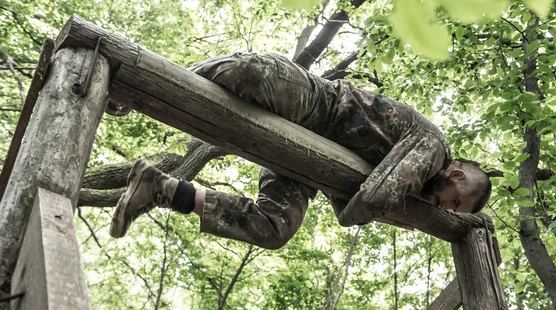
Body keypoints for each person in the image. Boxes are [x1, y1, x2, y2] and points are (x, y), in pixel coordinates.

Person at [110, 53, 492, 249]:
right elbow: (372, 198)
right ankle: (131, 79)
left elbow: (347, 208)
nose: (447, 211)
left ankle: (159, 187)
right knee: (249, 75)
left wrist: (370, 207)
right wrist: (386, 211)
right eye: (455, 203)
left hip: (307, 159)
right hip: (313, 104)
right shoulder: (434, 149)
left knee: (273, 227)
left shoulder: (416, 184)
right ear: (455, 174)